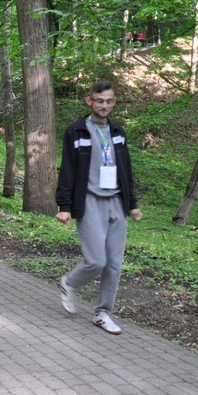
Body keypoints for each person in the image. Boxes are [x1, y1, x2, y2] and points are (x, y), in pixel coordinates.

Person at [56, 80, 142, 334]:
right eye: (99, 100)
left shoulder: (118, 131)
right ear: (89, 101)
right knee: (96, 260)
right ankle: (69, 283)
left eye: (109, 101)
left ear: (113, 103)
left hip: (117, 202)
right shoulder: (77, 131)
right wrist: (64, 205)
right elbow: (68, 169)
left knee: (114, 264)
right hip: (90, 200)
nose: (104, 106)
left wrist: (133, 203)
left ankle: (103, 313)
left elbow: (126, 168)